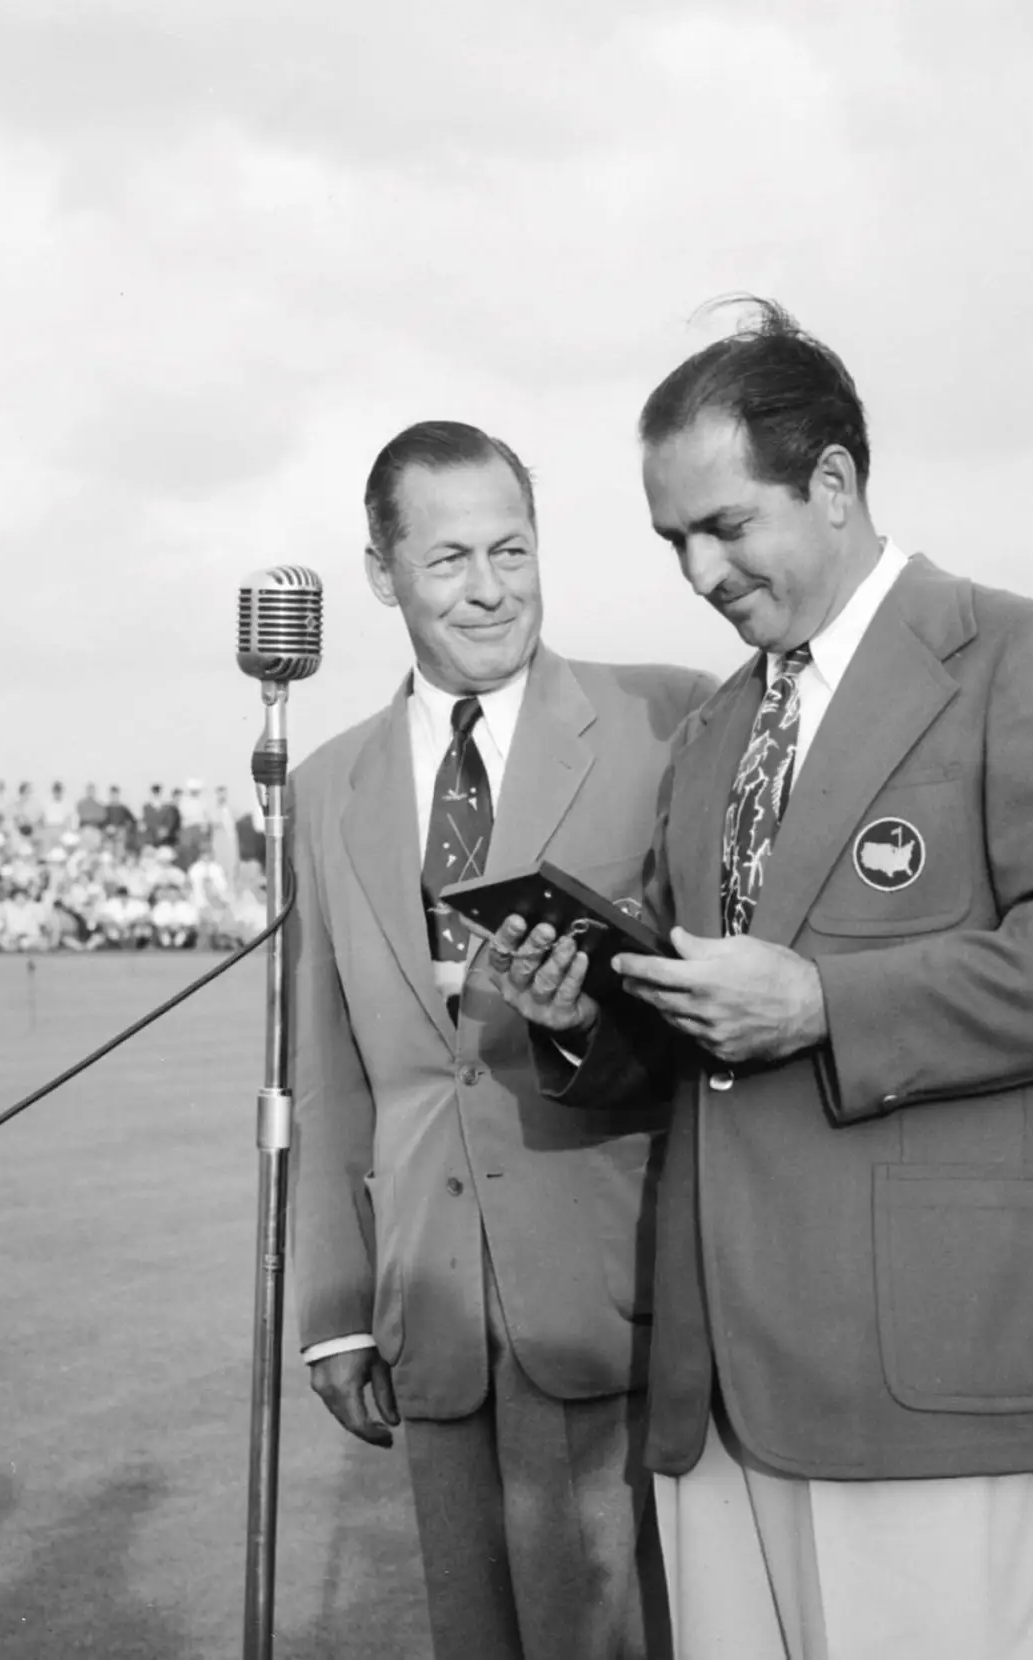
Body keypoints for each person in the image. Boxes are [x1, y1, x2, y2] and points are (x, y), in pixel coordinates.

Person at [490, 300, 1033, 1660]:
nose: (697, 572)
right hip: (711, 1385)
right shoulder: (717, 725)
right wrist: (581, 1020)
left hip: (912, 1366)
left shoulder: (1018, 655)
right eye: (671, 540)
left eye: (726, 526)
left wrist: (824, 1002)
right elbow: (699, 1033)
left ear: (836, 483)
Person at [286, 420, 712, 1660]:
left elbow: (705, 1013)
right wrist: (334, 1308)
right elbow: (328, 1067)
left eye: (513, 549)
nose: (490, 588)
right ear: (382, 573)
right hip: (431, 1306)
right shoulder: (327, 783)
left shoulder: (664, 720)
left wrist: (587, 1022)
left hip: (606, 1289)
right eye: (450, 558)